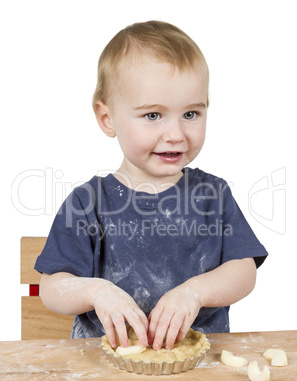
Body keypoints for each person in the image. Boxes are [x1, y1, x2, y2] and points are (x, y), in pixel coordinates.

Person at [35, 20, 268, 351]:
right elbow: (52, 286)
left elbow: (244, 270)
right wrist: (97, 291)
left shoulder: (213, 196)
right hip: (106, 369)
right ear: (107, 118)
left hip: (198, 370)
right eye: (153, 116)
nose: (175, 133)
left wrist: (194, 291)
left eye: (190, 114)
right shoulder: (88, 203)